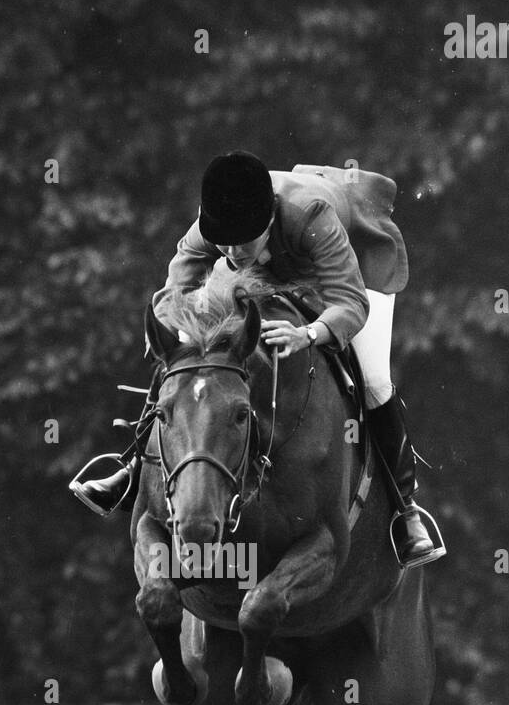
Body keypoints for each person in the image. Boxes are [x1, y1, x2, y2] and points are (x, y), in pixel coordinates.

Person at [70, 151, 444, 567]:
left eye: (241, 241)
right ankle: (134, 469)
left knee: (374, 382)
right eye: (223, 242)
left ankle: (404, 510)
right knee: (187, 356)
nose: (230, 250)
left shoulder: (312, 216)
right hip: (270, 269)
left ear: (267, 222)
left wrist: (308, 333)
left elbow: (350, 301)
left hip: (352, 267)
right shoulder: (218, 228)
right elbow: (171, 294)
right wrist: (177, 336)